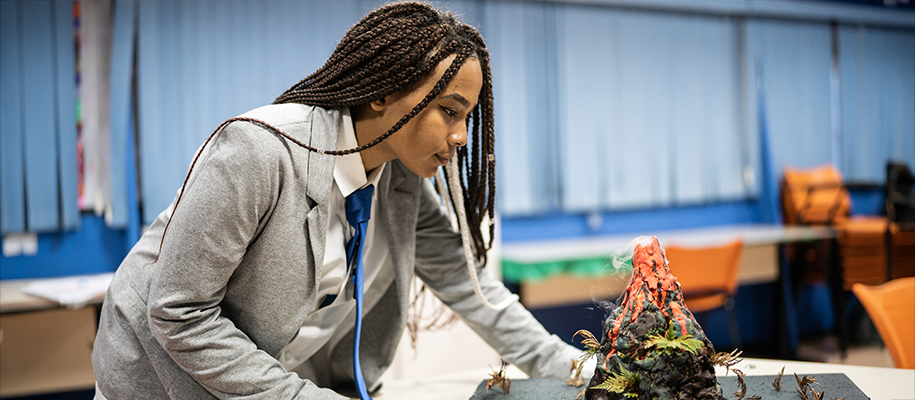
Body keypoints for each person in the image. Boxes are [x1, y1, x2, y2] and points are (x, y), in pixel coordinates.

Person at [91, 2, 582, 399]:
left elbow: (474, 291)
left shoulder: (401, 178)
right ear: (381, 94)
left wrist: (583, 372)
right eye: (449, 111)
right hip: (159, 384)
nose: (460, 137)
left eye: (467, 118)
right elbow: (180, 313)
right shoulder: (259, 151)